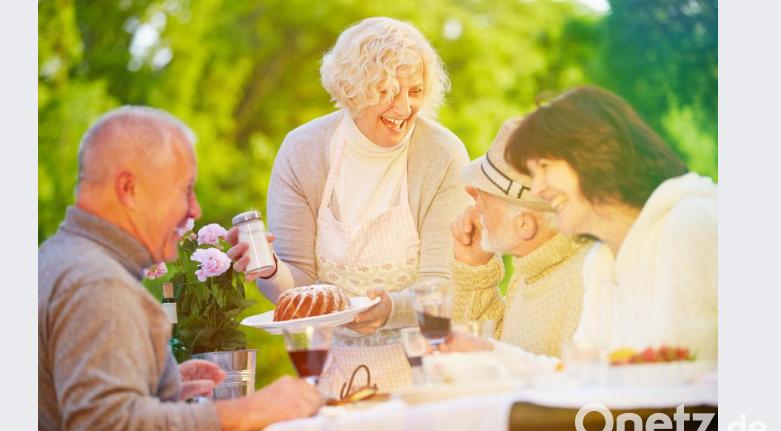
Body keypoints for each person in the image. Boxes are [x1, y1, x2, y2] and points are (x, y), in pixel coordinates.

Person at [39, 106, 323, 431]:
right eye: (185, 190)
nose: (194, 210)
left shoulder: (56, 259)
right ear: (129, 188)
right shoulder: (99, 284)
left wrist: (157, 389)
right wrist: (251, 410)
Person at [227, 17, 471, 395]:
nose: (404, 107)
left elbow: (443, 284)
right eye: (387, 91)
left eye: (415, 91)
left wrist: (390, 310)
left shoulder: (442, 154)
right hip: (334, 373)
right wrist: (271, 268)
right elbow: (299, 290)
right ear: (353, 89)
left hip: (429, 372)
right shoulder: (302, 151)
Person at [505, 85, 717, 360]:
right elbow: (582, 374)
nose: (537, 188)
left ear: (596, 153)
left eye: (545, 166)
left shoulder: (691, 223)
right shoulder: (600, 262)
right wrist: (489, 353)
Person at [444, 118, 592, 358]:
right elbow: (491, 356)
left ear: (524, 225)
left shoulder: (585, 285)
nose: (474, 205)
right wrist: (474, 271)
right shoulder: (531, 267)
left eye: (484, 197)